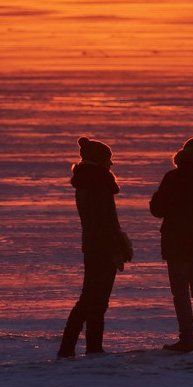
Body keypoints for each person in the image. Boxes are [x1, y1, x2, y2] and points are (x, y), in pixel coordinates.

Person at [57, 137, 132, 358]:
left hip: (94, 245)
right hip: (102, 246)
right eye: (109, 160)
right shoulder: (98, 183)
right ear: (100, 161)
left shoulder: (89, 182)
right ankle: (78, 348)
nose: (112, 165)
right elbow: (105, 221)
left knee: (93, 298)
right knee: (93, 299)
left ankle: (87, 347)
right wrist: (116, 249)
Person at [150, 137, 193, 352]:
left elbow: (157, 209)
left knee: (180, 293)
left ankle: (187, 338)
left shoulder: (173, 178)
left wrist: (158, 198)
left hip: (176, 242)